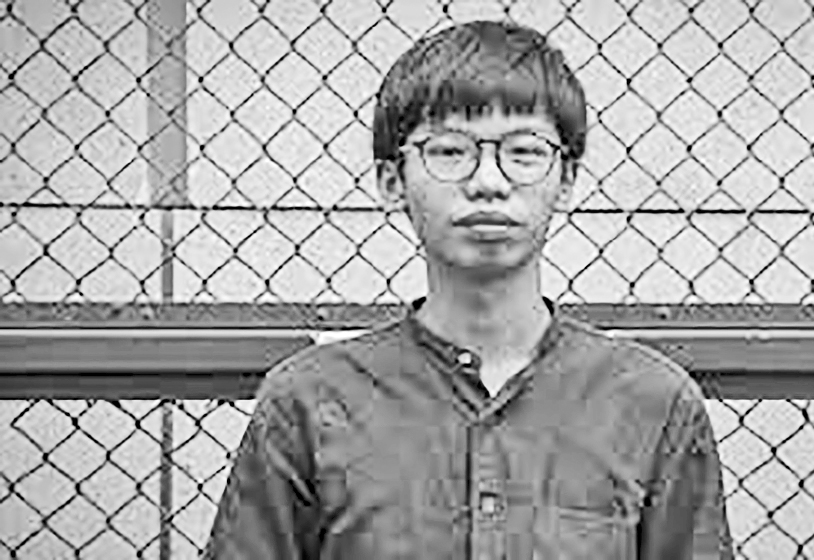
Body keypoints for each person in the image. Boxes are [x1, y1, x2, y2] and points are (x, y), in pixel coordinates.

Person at [202, 19, 733, 560]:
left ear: (567, 180)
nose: (488, 182)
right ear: (392, 181)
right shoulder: (309, 401)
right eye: (450, 151)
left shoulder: (653, 403)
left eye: (524, 152)